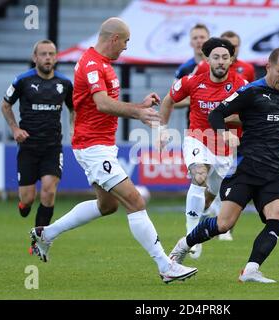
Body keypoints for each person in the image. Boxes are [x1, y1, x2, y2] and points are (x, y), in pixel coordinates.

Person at [29, 17, 197, 284]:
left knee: (107, 205)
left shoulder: (102, 64)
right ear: (114, 39)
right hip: (93, 147)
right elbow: (103, 104)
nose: (126, 48)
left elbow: (108, 103)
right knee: (136, 201)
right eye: (126, 42)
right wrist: (139, 112)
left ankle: (45, 234)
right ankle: (166, 265)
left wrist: (138, 105)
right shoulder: (92, 64)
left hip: (101, 145)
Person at [168, 48, 279, 283]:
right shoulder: (251, 91)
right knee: (224, 224)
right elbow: (216, 114)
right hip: (246, 169)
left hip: (273, 172)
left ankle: (251, 270)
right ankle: (182, 246)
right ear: (268, 67)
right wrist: (224, 134)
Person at [159, 37, 248, 259]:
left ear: (231, 60)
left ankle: (196, 227)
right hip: (197, 138)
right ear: (207, 59)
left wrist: (231, 127)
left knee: (209, 196)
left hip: (224, 151)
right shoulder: (191, 82)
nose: (220, 61)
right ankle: (190, 237)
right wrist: (162, 129)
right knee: (199, 176)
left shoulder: (242, 86)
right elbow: (168, 100)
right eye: (216, 57)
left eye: (225, 58)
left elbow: (250, 117)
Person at [1, 40, 74, 234]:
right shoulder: (22, 81)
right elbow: (5, 105)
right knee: (28, 198)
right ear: (35, 58)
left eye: (51, 54)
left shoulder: (65, 83)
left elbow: (73, 108)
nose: (48, 58)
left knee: (49, 191)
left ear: (56, 57)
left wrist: (73, 130)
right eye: (43, 54)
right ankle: (23, 205)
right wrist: (15, 129)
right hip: (28, 147)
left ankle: (39, 238)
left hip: (52, 147)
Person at [192, 30, 256, 241]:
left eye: (235, 47)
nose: (232, 51)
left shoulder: (246, 72)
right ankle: (196, 225)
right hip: (204, 134)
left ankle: (216, 222)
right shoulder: (202, 70)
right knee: (201, 178)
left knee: (219, 187)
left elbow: (249, 109)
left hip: (234, 139)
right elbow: (186, 95)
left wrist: (228, 118)